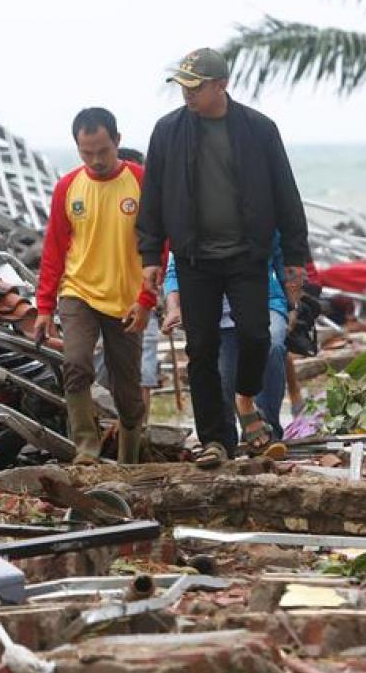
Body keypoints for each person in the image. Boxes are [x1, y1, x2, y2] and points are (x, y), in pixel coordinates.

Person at [137, 47, 309, 468]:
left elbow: (286, 193)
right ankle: (216, 440)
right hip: (194, 259)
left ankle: (245, 398)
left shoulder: (258, 129)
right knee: (202, 349)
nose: (187, 95)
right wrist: (150, 254)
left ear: (221, 85)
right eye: (182, 87)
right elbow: (153, 196)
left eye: (195, 88)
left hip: (246, 256)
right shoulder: (168, 131)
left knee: (257, 335)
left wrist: (294, 256)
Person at [35, 108, 154, 465]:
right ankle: (86, 450)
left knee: (128, 391)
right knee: (75, 362)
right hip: (78, 292)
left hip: (126, 300)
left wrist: (148, 299)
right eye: (87, 153)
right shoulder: (68, 187)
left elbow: (157, 246)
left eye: (103, 150)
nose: (96, 160)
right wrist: (44, 307)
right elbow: (54, 249)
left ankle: (129, 459)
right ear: (77, 148)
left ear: (117, 141)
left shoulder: (141, 181)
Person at [163, 242, 288, 451]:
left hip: (262, 302)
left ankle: (269, 431)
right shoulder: (190, 225)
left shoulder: (254, 215)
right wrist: (174, 307)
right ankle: (224, 443)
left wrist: (294, 300)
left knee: (271, 345)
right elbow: (175, 270)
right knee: (223, 381)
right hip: (217, 315)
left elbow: (282, 253)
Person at [94, 148, 162, 427]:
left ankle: (138, 431)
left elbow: (162, 256)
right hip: (101, 299)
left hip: (141, 300)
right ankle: (113, 431)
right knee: (105, 372)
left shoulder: (150, 215)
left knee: (141, 372)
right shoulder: (106, 210)